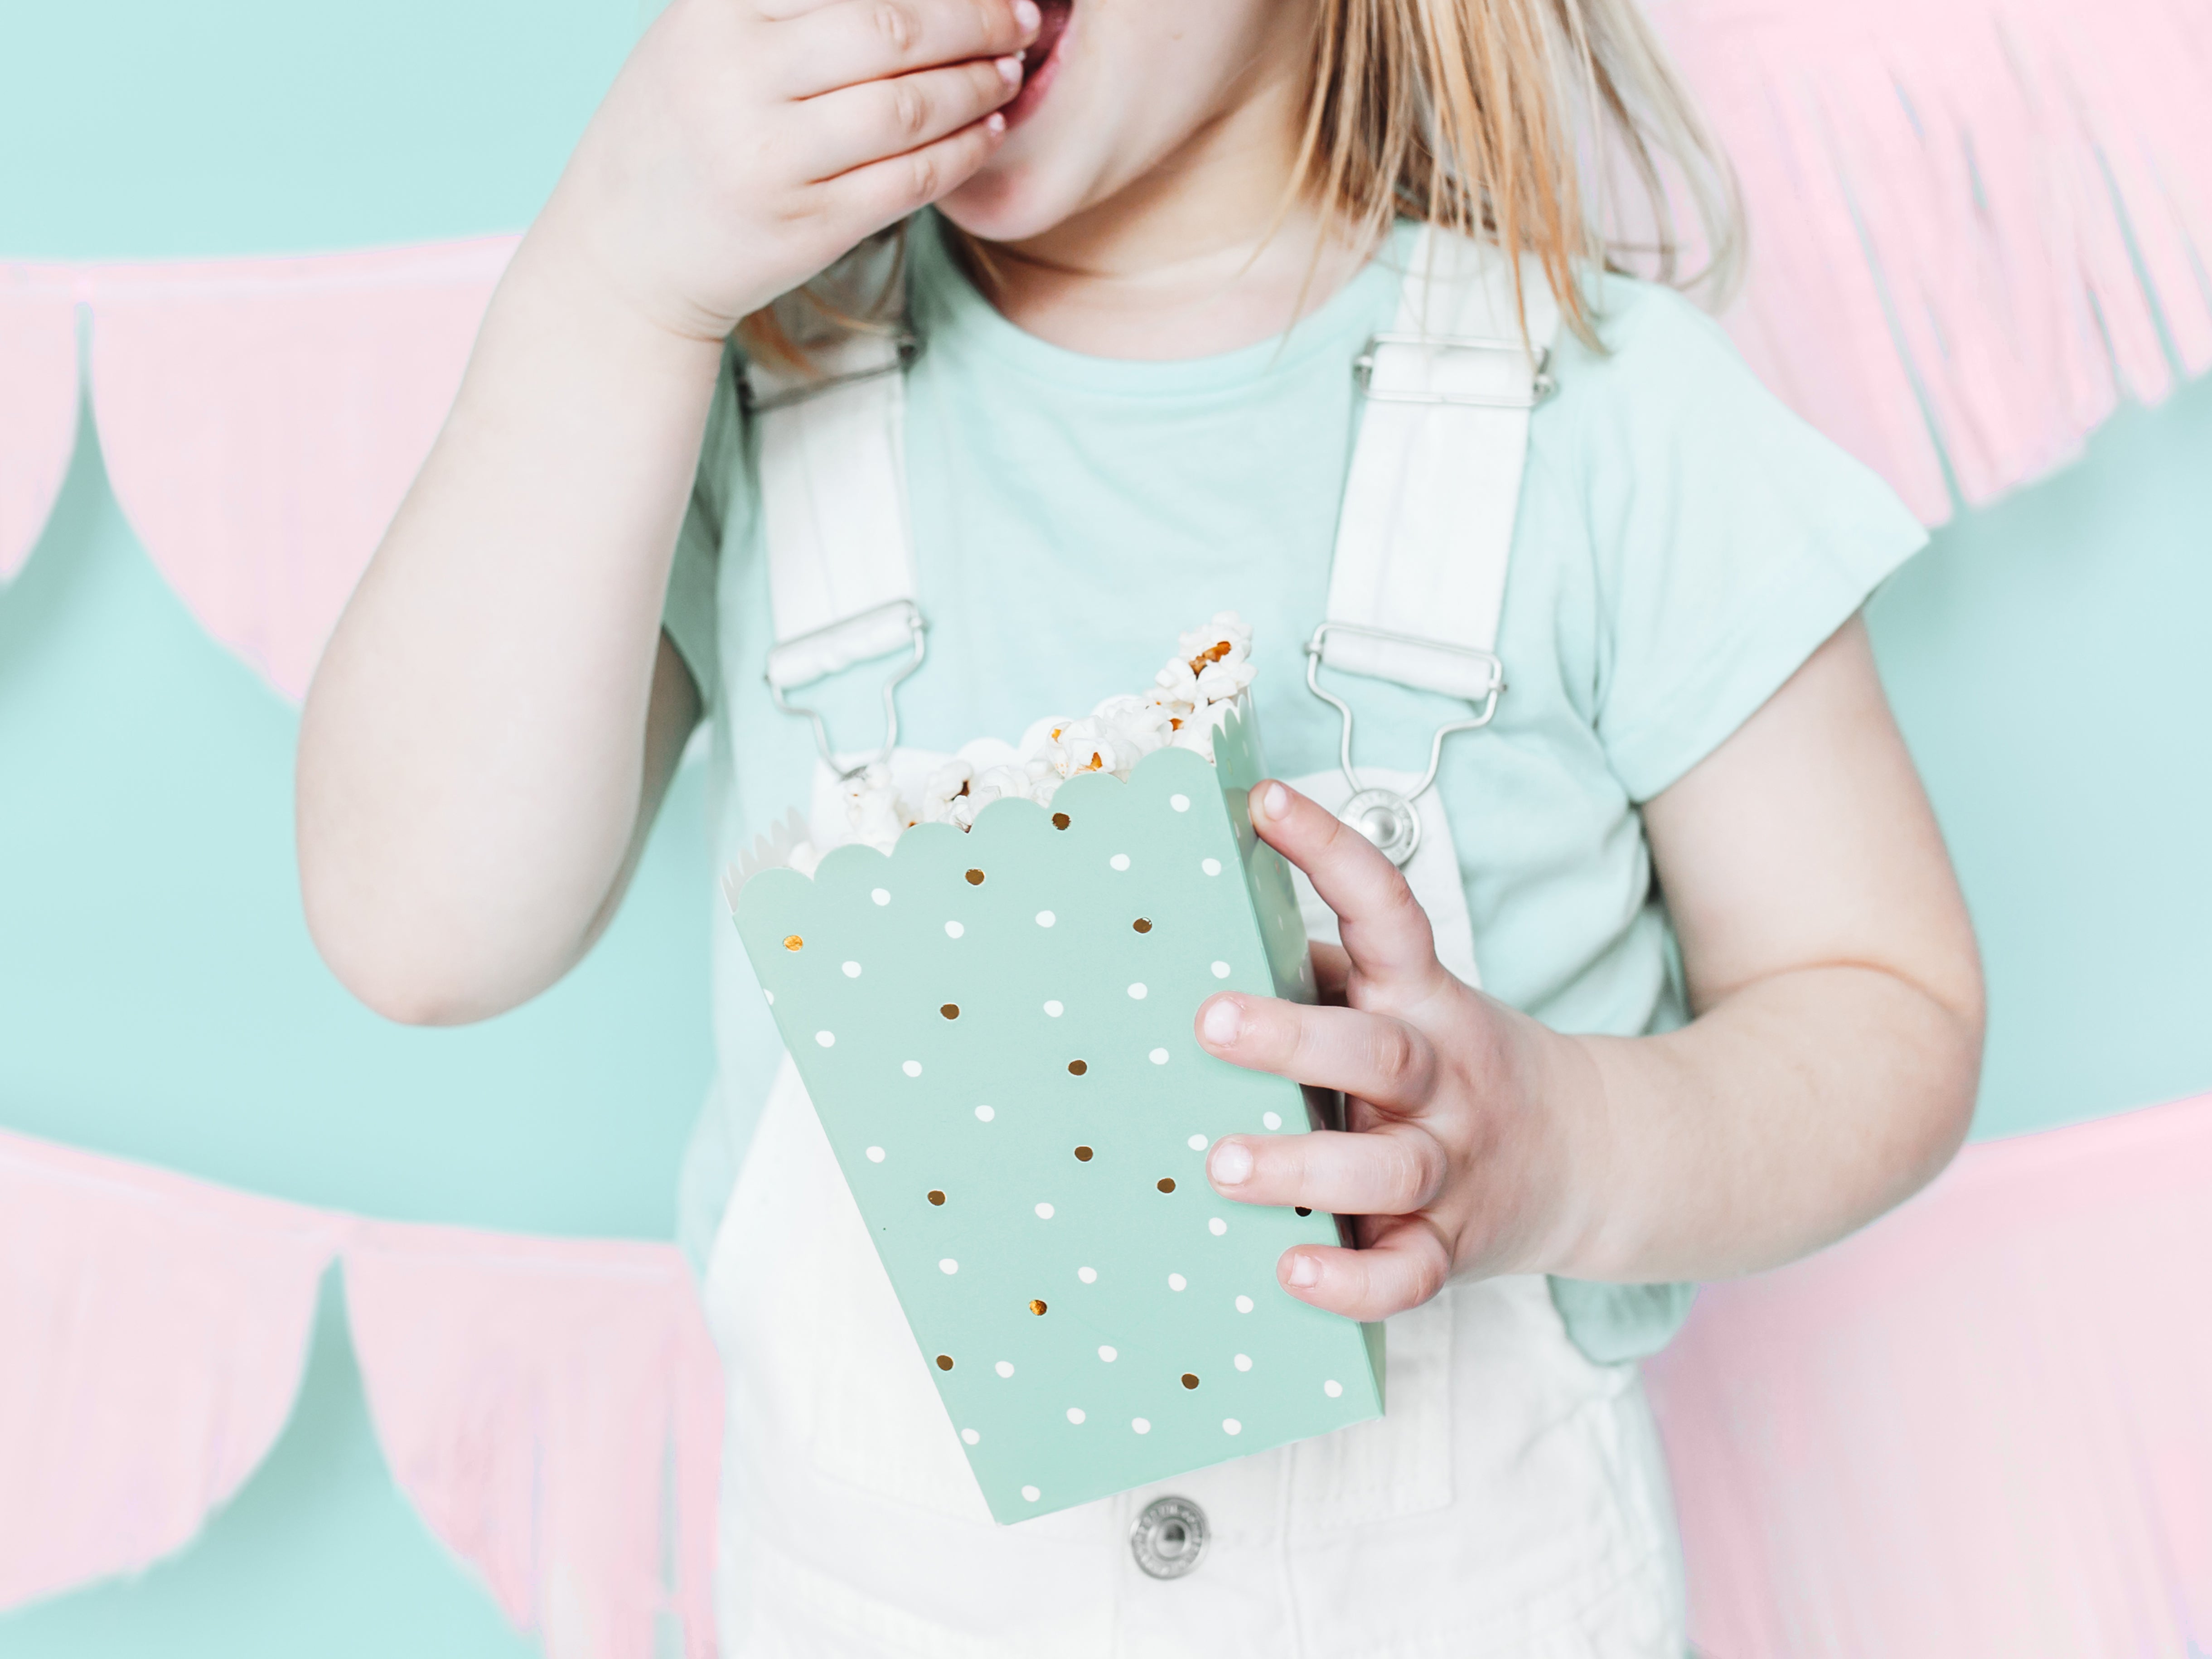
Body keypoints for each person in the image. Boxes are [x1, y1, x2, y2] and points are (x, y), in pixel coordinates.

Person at [295, 0, 1985, 1649]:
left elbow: (1884, 1007)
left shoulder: (1611, 425)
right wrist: (607, 283)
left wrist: (1565, 1150)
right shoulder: (735, 391)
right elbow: (421, 926)